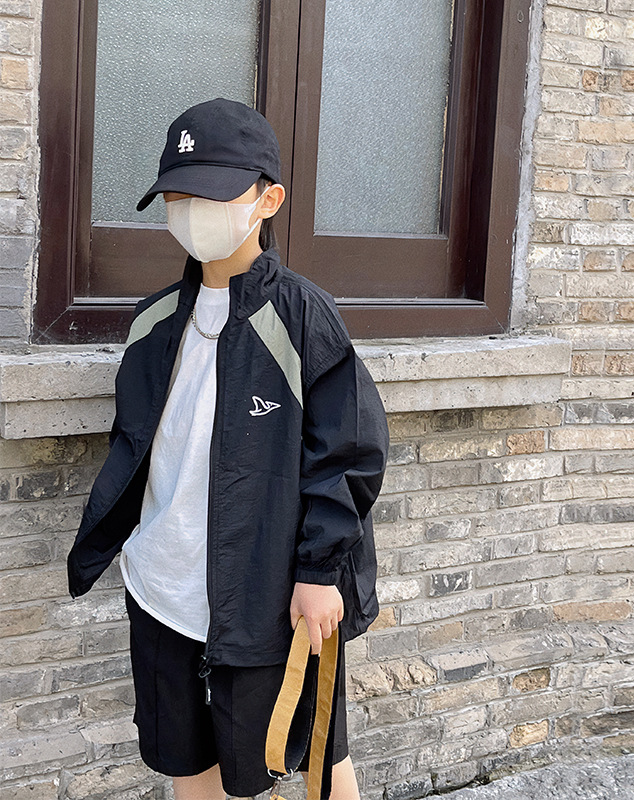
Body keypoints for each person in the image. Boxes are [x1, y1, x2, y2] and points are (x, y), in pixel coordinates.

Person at [66, 97, 390, 800]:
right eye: (178, 197)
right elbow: (140, 446)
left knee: (315, 754)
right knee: (187, 766)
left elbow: (348, 455)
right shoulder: (153, 320)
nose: (192, 213)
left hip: (268, 597)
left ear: (267, 200)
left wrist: (319, 572)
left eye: (211, 196)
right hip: (162, 590)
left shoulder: (302, 315)